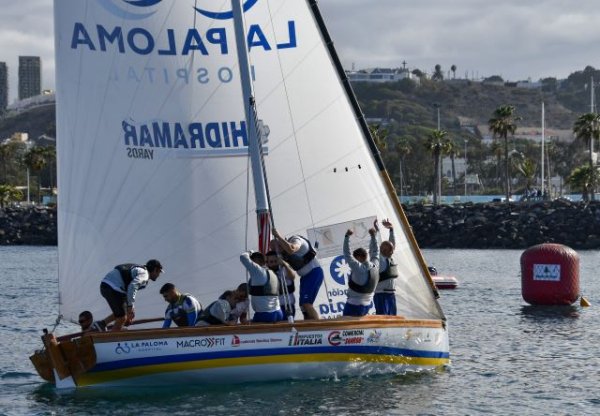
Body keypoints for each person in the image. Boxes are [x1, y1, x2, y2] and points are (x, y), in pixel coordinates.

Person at [271, 230, 323, 320]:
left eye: (279, 246)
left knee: (307, 304)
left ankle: (321, 327)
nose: (278, 249)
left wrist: (278, 236)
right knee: (303, 307)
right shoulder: (282, 254)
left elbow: (291, 249)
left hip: (314, 272)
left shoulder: (296, 240)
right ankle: (310, 327)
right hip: (305, 277)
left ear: (284, 240)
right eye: (275, 249)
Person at [99, 259, 163, 331]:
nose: (158, 275)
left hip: (105, 285)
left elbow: (128, 292)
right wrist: (130, 306)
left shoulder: (139, 269)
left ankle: (100, 324)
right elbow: (133, 286)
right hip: (113, 288)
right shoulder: (145, 274)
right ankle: (110, 340)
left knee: (123, 311)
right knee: (122, 318)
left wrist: (129, 310)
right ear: (155, 270)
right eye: (159, 272)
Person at [342, 227, 379, 317]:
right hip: (367, 304)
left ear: (359, 257)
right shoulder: (375, 265)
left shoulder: (358, 267)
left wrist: (347, 237)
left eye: (355, 258)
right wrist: (373, 236)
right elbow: (375, 251)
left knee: (347, 326)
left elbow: (347, 253)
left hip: (354, 304)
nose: (355, 260)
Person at [239, 251, 283, 323]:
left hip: (265, 315)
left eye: (252, 262)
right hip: (278, 312)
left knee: (247, 325)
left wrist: (250, 252)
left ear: (255, 262)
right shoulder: (272, 273)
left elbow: (243, 257)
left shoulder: (258, 271)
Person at [373, 219, 398, 316]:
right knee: (383, 317)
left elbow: (392, 243)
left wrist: (391, 229)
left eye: (392, 249)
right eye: (390, 249)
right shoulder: (380, 259)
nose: (392, 251)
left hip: (391, 295)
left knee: (393, 318)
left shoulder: (390, 258)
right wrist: (376, 232)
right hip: (381, 294)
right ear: (383, 249)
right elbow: (377, 245)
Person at [266, 251, 298, 320]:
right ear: (267, 263)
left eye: (275, 261)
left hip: (288, 305)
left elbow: (292, 276)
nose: (274, 263)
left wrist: (284, 264)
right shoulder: (267, 274)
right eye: (271, 262)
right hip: (276, 307)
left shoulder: (284, 270)